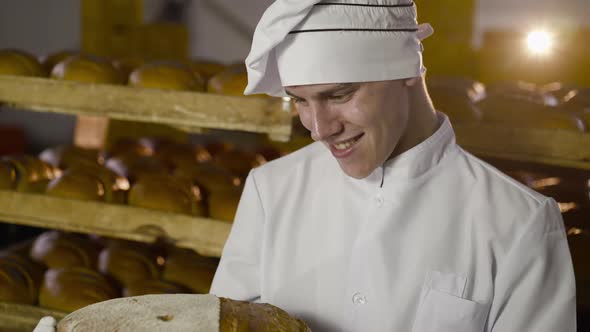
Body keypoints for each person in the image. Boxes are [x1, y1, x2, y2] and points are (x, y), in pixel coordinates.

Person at [210, 0, 577, 331]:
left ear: (407, 69)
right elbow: (226, 322)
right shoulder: (271, 189)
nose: (319, 129)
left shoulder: (518, 221)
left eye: (338, 95)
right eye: (300, 101)